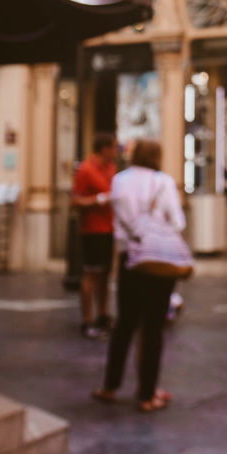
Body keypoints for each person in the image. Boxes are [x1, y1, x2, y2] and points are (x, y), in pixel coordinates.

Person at [93, 139, 186, 412]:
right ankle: (147, 394)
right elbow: (178, 222)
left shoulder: (119, 180)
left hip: (129, 260)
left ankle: (110, 386)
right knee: (153, 328)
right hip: (158, 260)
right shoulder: (163, 182)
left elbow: (117, 217)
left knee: (125, 325)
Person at [72, 132, 119, 339]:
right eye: (114, 147)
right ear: (104, 148)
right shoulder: (85, 170)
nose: (116, 151)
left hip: (109, 228)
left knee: (105, 274)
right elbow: (75, 201)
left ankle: (102, 315)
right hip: (92, 229)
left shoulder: (110, 169)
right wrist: (98, 199)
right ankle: (87, 320)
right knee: (91, 274)